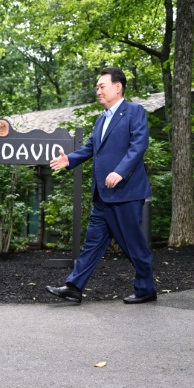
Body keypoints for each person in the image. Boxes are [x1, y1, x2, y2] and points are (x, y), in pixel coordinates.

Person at [46, 67, 156, 304]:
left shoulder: (134, 111)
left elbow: (138, 145)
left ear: (118, 87)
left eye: (101, 86)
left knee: (133, 245)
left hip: (125, 193)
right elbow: (90, 148)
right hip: (103, 195)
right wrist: (69, 160)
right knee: (92, 244)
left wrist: (120, 171)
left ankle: (146, 288)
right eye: (96, 87)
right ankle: (74, 287)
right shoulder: (101, 119)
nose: (97, 90)